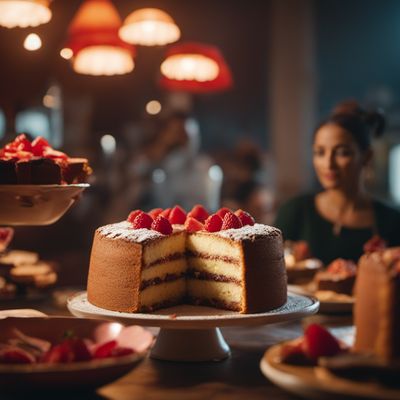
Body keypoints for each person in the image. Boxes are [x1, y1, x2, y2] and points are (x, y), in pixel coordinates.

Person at [274, 100, 400, 265]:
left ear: (367, 156)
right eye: (320, 152)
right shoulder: (295, 212)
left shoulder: (392, 222)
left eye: (342, 152)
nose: (328, 164)